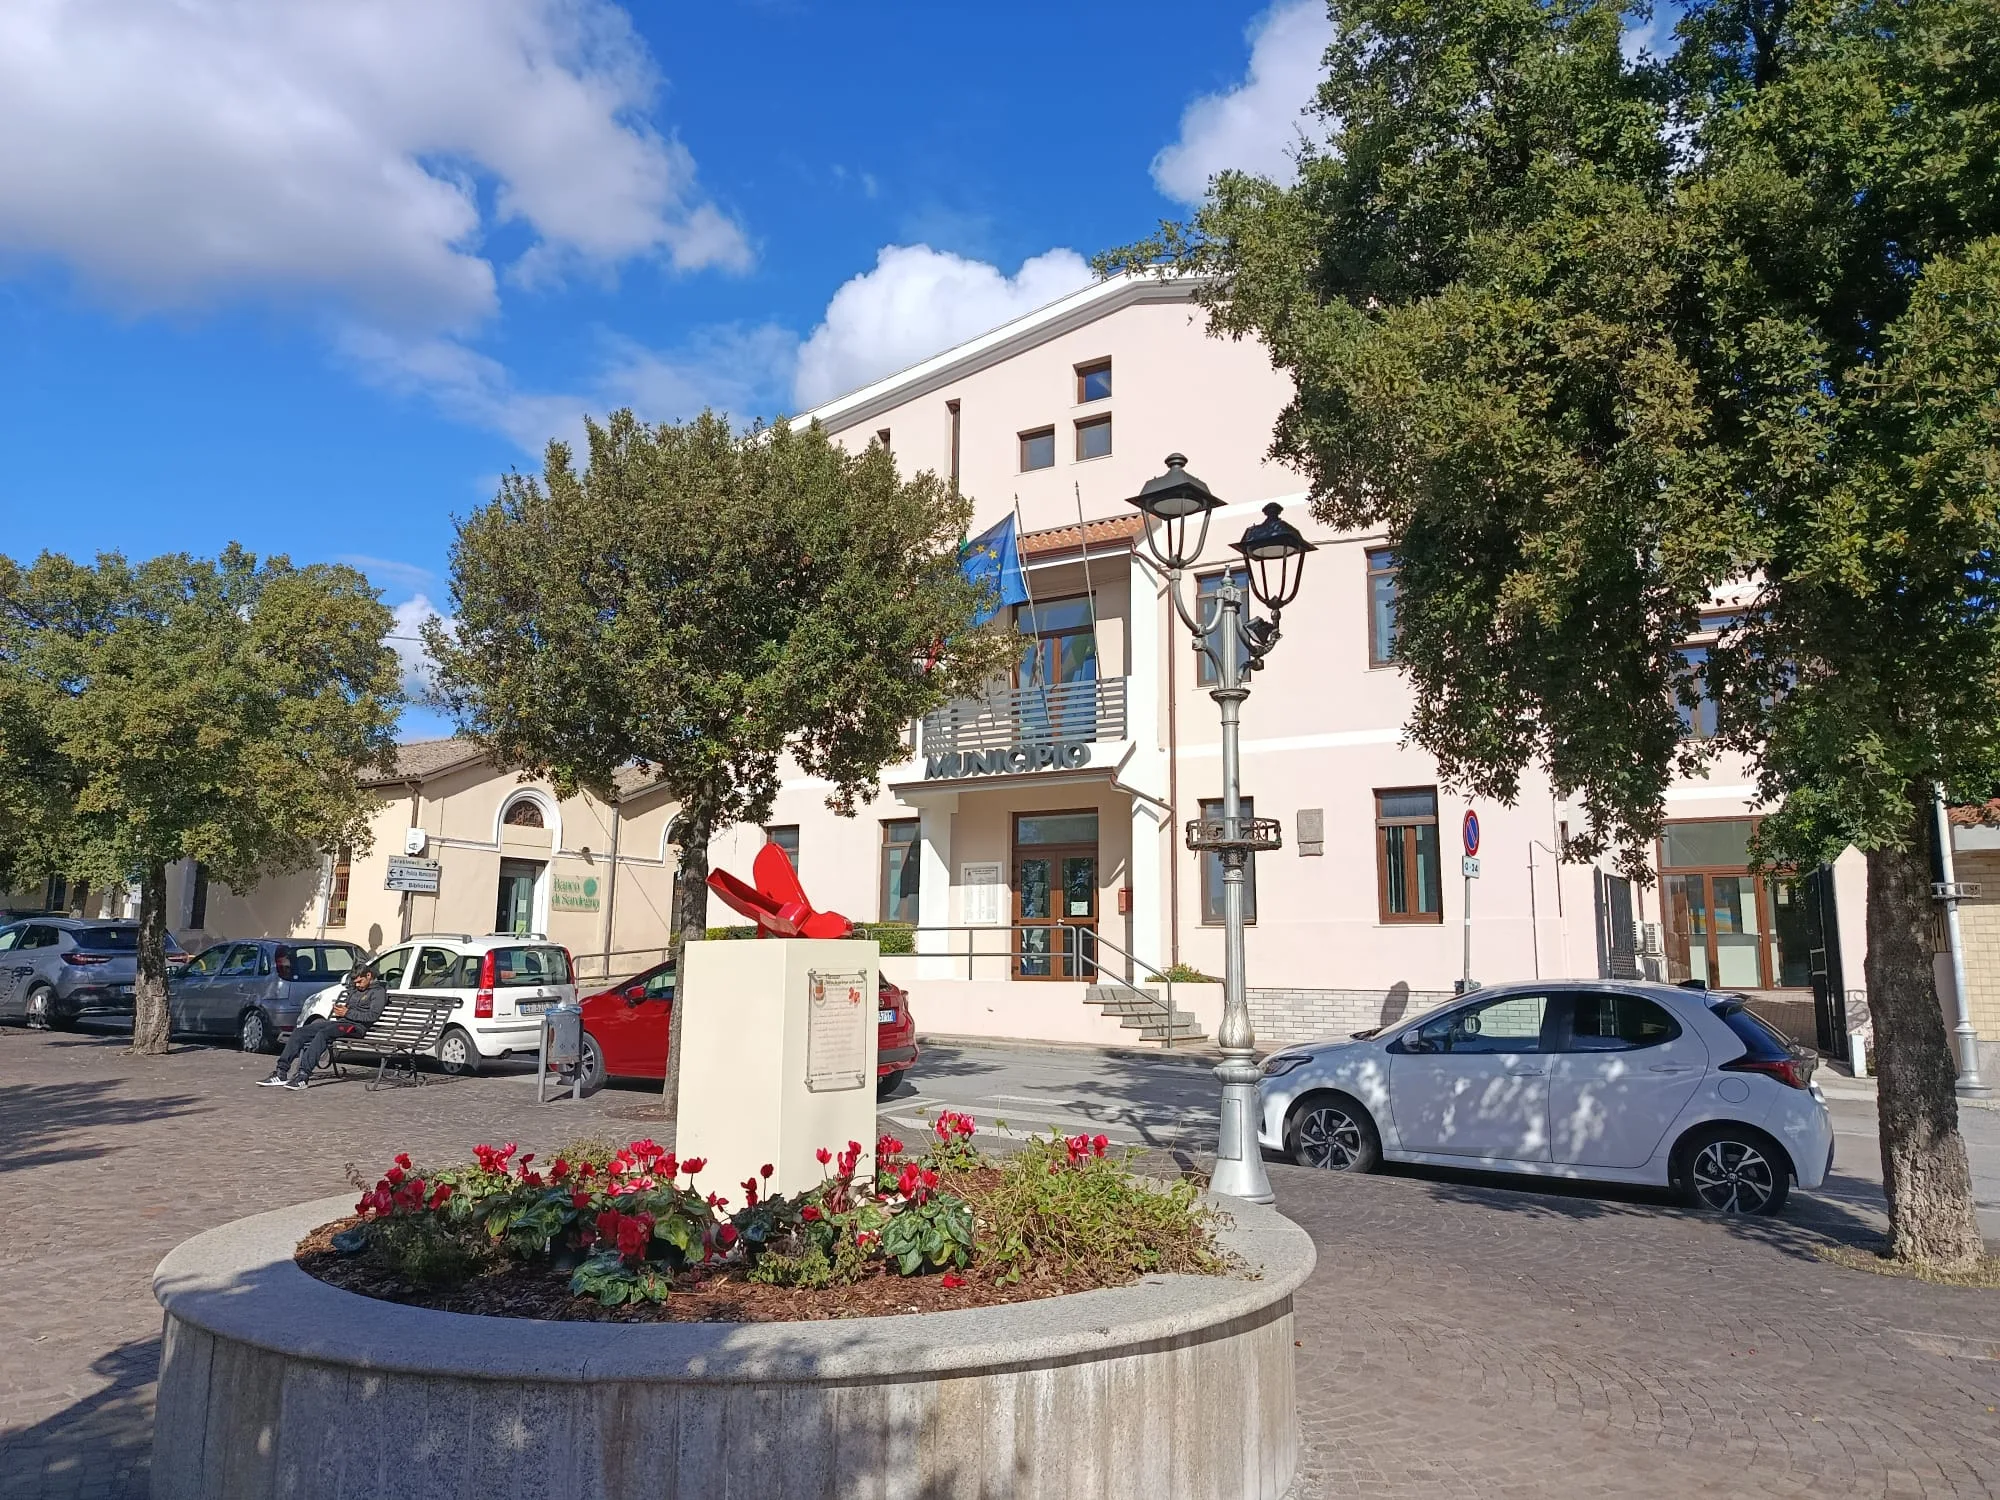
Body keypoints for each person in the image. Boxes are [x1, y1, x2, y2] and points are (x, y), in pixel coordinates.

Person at [260, 963, 384, 1090]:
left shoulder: (378, 992)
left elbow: (372, 1016)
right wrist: (341, 1010)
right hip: (342, 1023)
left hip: (356, 1027)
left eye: (360, 981)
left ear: (369, 975)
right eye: (355, 982)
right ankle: (281, 1072)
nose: (357, 985)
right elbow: (349, 1008)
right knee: (300, 1032)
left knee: (324, 1034)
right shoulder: (356, 990)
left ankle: (303, 1075)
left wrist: (347, 1013)